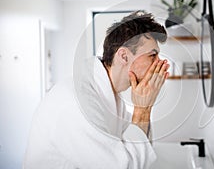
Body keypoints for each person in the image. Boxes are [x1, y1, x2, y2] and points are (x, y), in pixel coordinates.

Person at [24, 11, 169, 169]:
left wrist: (145, 107)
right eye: (153, 55)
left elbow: (139, 144)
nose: (160, 63)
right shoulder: (77, 103)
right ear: (124, 56)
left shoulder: (111, 96)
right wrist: (142, 109)